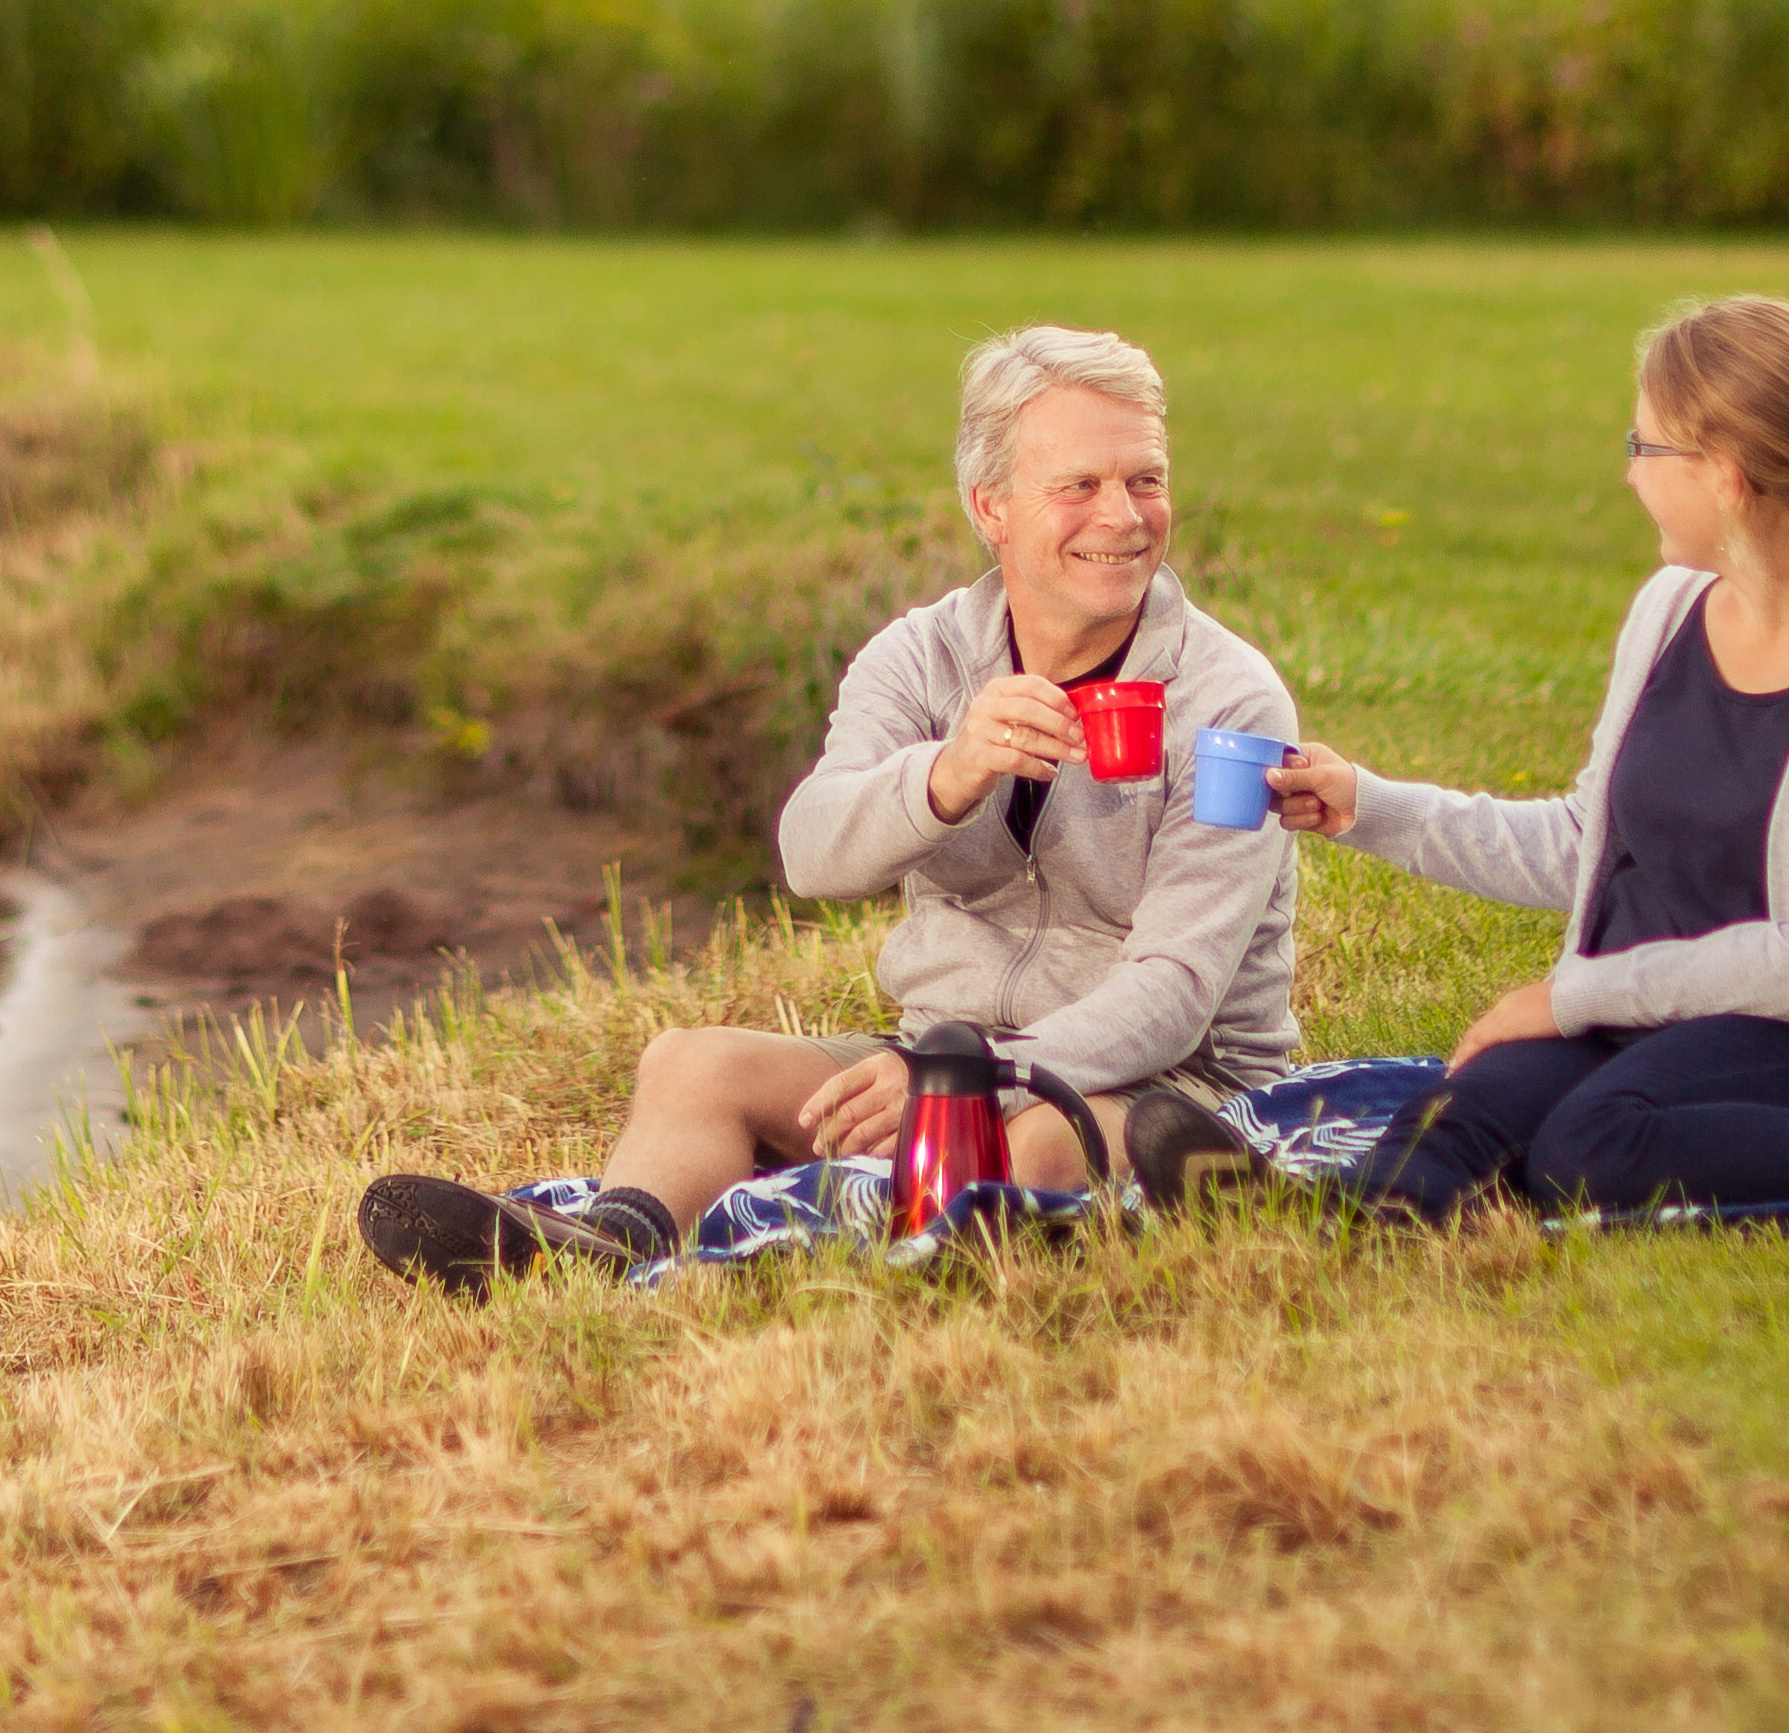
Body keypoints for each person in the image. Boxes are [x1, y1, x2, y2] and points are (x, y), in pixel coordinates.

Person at [356, 324, 1303, 1285]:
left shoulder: (1232, 704)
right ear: (992, 507)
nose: (1126, 515)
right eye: (1080, 486)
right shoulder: (921, 658)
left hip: (1169, 1084)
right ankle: (612, 1250)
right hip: (934, 1057)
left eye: (1146, 480)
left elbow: (1177, 992)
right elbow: (812, 853)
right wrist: (945, 775)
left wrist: (970, 1077)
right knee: (690, 1063)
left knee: (1032, 1154)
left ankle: (850, 1251)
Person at [1161, 293, 1789, 1230]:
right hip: (1643, 1016)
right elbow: (1587, 839)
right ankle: (1296, 1210)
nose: (1628, 475)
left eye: (1643, 447)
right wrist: (1365, 804)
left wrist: (1570, 997)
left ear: (1726, 473)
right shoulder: (1669, 610)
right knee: (1461, 1118)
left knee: (1591, 1151)